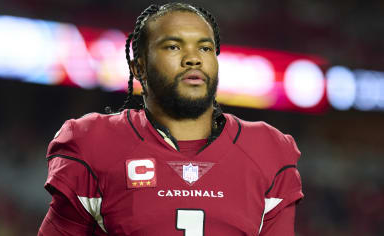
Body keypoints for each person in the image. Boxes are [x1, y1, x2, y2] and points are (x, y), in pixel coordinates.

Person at [38, 2, 303, 235]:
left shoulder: (268, 150)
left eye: (205, 48)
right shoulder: (93, 143)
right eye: (174, 46)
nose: (193, 59)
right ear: (138, 66)